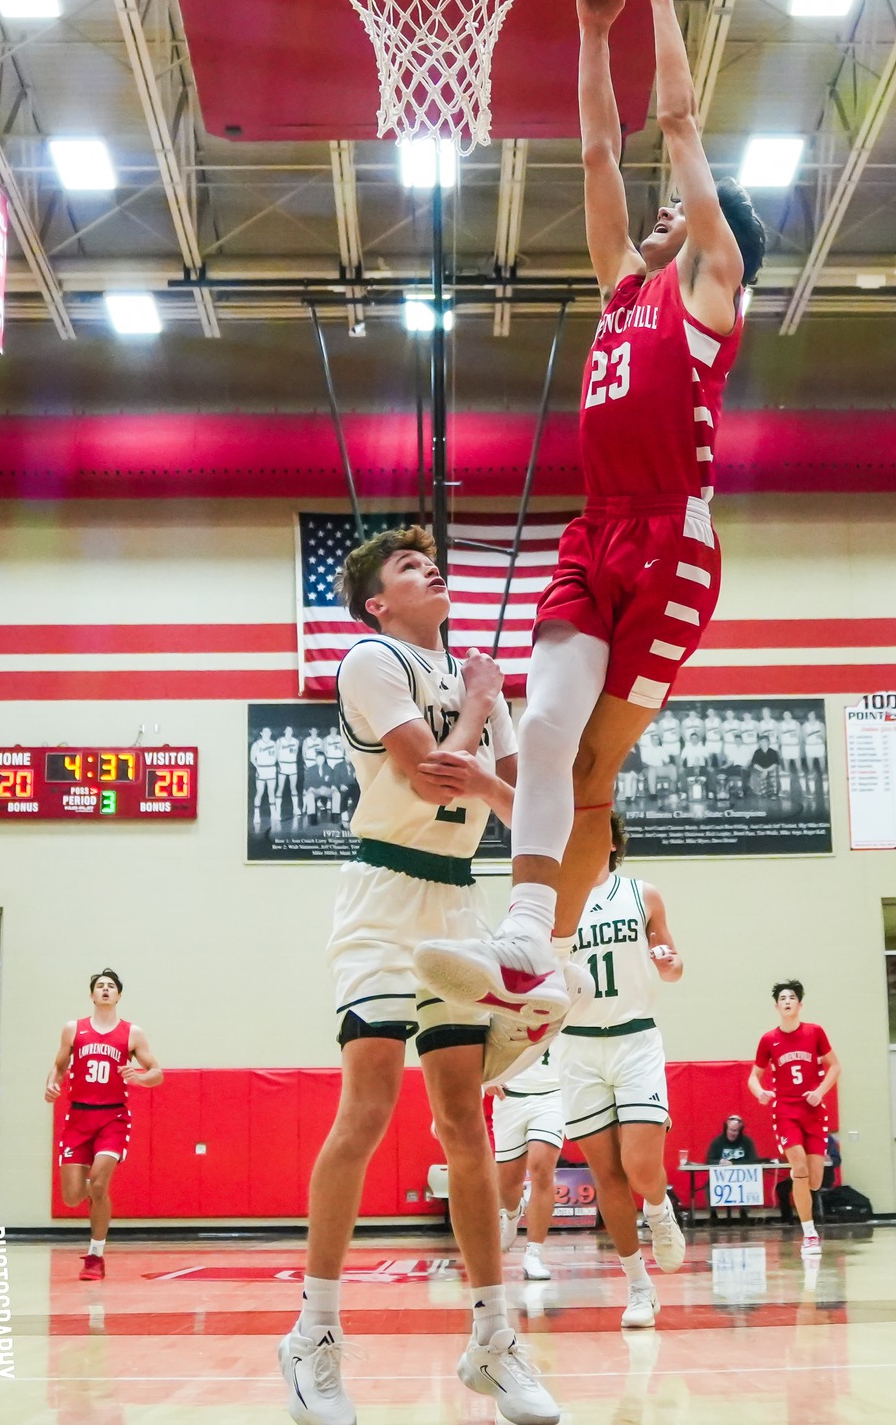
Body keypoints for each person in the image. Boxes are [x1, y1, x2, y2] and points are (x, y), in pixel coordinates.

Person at [415, 0, 764, 1042]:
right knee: (550, 728)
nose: (661, 209)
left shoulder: (713, 286)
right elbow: (599, 150)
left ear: (715, 236)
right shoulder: (623, 289)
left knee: (597, 771)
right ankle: (526, 946)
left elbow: (671, 119)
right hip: (596, 527)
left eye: (686, 204)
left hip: (671, 542)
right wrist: (587, 22)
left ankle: (546, 973)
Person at [280, 527, 558, 1425]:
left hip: (456, 905)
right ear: (378, 602)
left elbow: (522, 812)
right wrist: (479, 714)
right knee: (364, 1108)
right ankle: (313, 1337)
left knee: (461, 1125)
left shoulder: (476, 675)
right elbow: (432, 782)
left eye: (431, 562)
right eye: (409, 567)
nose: (429, 569)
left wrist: (483, 738)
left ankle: (493, 1340)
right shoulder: (369, 658)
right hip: (380, 901)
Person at [560, 811, 685, 1330]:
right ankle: (638, 1286)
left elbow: (673, 963)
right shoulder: (555, 901)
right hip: (578, 1048)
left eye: (591, 829)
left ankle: (658, 1208)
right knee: (606, 1174)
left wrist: (667, 961)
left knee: (638, 1167)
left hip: (634, 1039)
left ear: (611, 839)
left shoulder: (642, 893)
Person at [45, 969, 163, 1280]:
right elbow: (58, 1068)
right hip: (78, 1117)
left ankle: (95, 1256)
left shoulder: (132, 1033)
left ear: (119, 995)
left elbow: (157, 1072)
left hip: (113, 1118)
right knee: (71, 1197)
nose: (106, 990)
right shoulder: (74, 1029)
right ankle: (93, 1229)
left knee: (98, 1182)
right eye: (100, 986)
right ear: (92, 995)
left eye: (111, 986)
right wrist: (51, 1085)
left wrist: (138, 1077)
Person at [748, 980, 840, 1255]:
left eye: (792, 997)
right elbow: (754, 1076)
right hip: (786, 1110)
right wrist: (759, 1091)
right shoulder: (768, 1039)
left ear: (800, 1004)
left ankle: (800, 1184)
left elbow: (835, 1066)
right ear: (777, 1006)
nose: (787, 1001)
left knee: (814, 1180)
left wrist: (820, 1091)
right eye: (782, 998)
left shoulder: (815, 1032)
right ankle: (809, 1234)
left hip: (813, 1110)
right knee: (798, 1167)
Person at [491, 1040, 564, 1280]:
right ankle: (512, 1212)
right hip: (509, 1098)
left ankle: (534, 1253)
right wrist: (485, 1079)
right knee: (507, 1185)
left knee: (541, 1168)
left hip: (552, 1096)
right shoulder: (501, 1003)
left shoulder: (567, 1004)